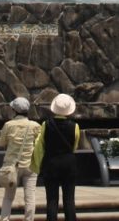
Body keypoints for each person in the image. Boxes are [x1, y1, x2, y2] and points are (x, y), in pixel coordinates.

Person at [32, 93, 80, 221]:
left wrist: (36, 165)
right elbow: (74, 146)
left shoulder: (46, 125)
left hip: (51, 163)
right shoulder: (75, 126)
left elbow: (39, 146)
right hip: (69, 164)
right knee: (69, 200)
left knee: (52, 200)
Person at [0, 97, 41, 221]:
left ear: (13, 110)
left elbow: (1, 143)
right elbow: (40, 143)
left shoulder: (8, 125)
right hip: (30, 166)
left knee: (8, 197)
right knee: (30, 197)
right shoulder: (35, 126)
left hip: (12, 166)